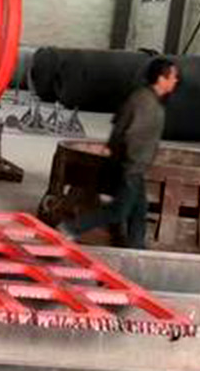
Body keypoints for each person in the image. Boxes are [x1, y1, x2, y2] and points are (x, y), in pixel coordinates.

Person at [58, 57, 180, 249]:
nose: (176, 80)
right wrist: (130, 163)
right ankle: (71, 227)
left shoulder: (145, 99)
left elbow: (119, 125)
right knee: (118, 211)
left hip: (135, 166)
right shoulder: (145, 103)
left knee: (139, 210)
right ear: (161, 78)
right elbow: (132, 136)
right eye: (173, 77)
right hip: (131, 166)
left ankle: (137, 248)